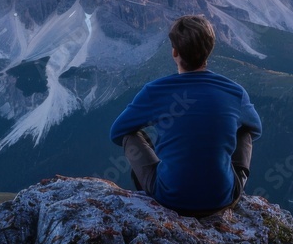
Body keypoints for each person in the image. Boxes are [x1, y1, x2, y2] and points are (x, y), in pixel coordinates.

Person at [109, 15, 262, 217]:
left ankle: (158, 183)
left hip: (169, 199)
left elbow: (118, 132)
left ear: (175, 52)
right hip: (222, 199)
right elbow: (255, 129)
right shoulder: (235, 92)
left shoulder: (155, 91)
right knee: (246, 131)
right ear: (210, 50)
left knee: (130, 135)